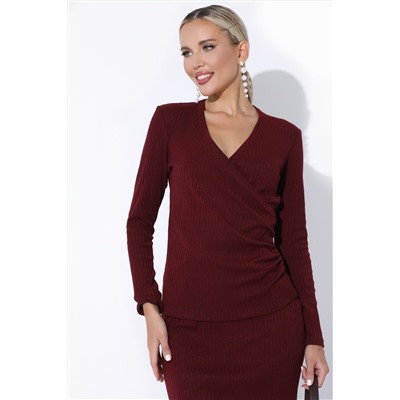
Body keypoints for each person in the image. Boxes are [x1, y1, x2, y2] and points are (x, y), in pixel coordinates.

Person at [126, 4, 329, 399]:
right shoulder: (170, 123)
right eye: (186, 52)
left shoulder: (284, 138)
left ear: (241, 50)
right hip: (188, 332)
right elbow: (139, 222)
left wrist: (313, 337)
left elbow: (293, 244)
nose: (195, 63)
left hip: (271, 329)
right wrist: (150, 307)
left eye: (207, 47)